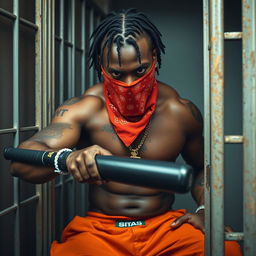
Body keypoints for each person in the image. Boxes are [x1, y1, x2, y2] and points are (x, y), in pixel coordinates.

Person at [11, 8, 242, 256]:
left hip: (164, 228)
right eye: (117, 74)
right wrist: (65, 158)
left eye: (140, 71)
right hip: (101, 231)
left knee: (226, 249)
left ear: (154, 58)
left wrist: (204, 210)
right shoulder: (85, 109)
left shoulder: (180, 112)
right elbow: (20, 162)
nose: (130, 84)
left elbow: (200, 168)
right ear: (101, 65)